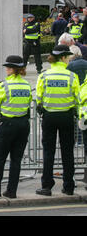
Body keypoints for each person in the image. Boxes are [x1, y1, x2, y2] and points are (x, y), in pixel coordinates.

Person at [0, 55, 32, 199]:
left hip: (8, 125)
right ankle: (11, 191)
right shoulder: (26, 85)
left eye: (8, 67)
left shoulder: (4, 85)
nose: (6, 70)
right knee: (16, 160)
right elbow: (28, 102)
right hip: (23, 125)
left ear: (13, 69)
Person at [35, 45, 80, 196]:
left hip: (49, 117)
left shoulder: (44, 76)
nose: (68, 59)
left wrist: (42, 107)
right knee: (68, 152)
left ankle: (46, 186)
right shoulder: (71, 76)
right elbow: (77, 99)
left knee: (48, 152)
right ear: (62, 58)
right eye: (67, 57)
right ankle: (69, 186)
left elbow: (39, 97)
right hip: (67, 117)